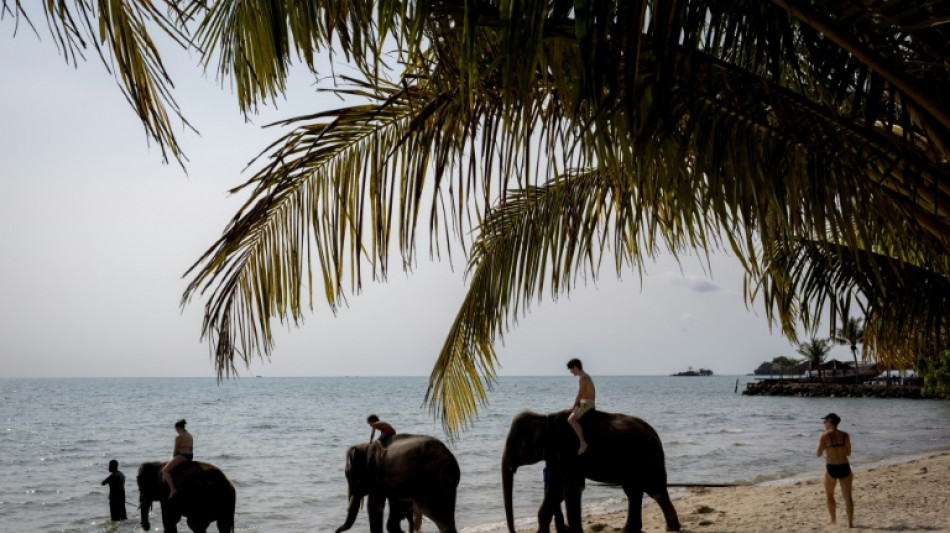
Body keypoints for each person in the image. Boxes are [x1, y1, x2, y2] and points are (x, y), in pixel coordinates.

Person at [815, 412, 853, 528]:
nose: (824, 424)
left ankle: (833, 520)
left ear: (830, 422)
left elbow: (818, 453)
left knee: (829, 495)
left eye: (825, 422)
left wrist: (826, 447)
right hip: (844, 466)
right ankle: (850, 524)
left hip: (831, 467)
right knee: (847, 496)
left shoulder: (824, 436)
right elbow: (848, 453)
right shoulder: (845, 435)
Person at [563, 358, 596, 454]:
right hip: (584, 403)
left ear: (575, 367)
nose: (571, 372)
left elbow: (580, 394)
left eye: (571, 369)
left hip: (587, 403)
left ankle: (583, 442)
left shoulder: (583, 378)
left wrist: (572, 408)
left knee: (571, 420)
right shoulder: (584, 377)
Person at [161, 418, 194, 498]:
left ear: (178, 428)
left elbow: (175, 451)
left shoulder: (179, 437)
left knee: (164, 470)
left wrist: (174, 458)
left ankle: (172, 489)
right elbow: (191, 448)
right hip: (190, 456)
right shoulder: (189, 435)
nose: (176, 431)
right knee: (167, 463)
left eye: (176, 429)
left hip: (182, 456)